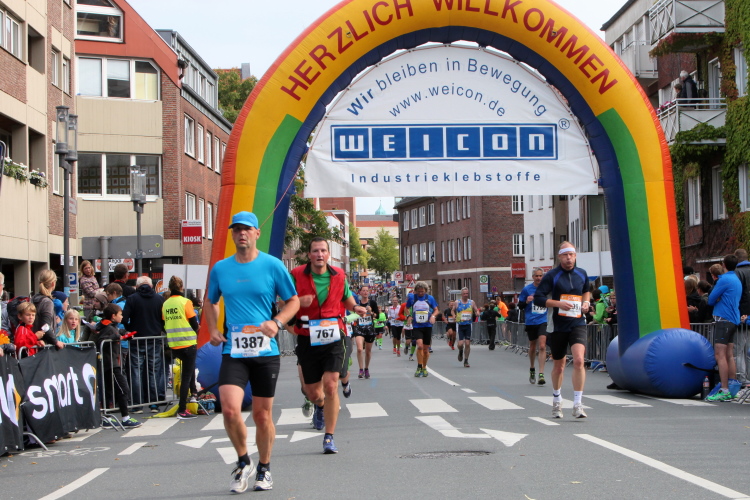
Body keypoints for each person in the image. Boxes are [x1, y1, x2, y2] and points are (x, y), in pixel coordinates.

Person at [204, 211, 300, 493]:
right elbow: (211, 301)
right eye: (236, 229)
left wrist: (277, 322)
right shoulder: (221, 269)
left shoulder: (272, 265)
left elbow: (293, 301)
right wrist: (212, 329)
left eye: (247, 229)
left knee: (261, 415)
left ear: (257, 233)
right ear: (232, 234)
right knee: (229, 409)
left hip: (265, 352)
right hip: (234, 350)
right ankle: (244, 461)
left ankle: (265, 468)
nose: (241, 233)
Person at [291, 237, 364, 453]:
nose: (319, 254)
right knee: (313, 393)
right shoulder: (296, 275)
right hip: (307, 336)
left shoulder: (339, 275)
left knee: (331, 385)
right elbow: (283, 302)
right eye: (315, 251)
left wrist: (355, 308)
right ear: (309, 255)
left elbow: (346, 298)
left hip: (334, 335)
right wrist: (298, 302)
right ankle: (320, 406)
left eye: (323, 250)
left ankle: (329, 437)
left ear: (328, 254)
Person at [534, 242, 591, 419]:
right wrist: (558, 303)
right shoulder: (552, 275)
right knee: (559, 366)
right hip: (558, 325)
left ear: (575, 256)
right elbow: (538, 298)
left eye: (571, 255)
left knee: (579, 360)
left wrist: (586, 302)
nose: (569, 258)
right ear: (560, 257)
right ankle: (557, 400)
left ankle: (577, 404)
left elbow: (586, 290)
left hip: (577, 322)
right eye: (565, 255)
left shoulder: (581, 273)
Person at [122, 276, 166, 413]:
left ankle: (137, 404)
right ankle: (154, 404)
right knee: (153, 371)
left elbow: (124, 318)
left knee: (136, 371)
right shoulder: (159, 299)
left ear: (137, 286)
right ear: (151, 286)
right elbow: (164, 320)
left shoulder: (132, 299)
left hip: (137, 339)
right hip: (154, 338)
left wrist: (131, 329)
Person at [95, 303, 142, 428]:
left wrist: (126, 334)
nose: (122, 317)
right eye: (120, 314)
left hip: (113, 363)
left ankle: (107, 418)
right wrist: (116, 337)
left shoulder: (111, 326)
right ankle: (125, 418)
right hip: (111, 364)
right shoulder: (108, 328)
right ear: (113, 316)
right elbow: (101, 341)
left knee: (109, 391)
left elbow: (118, 331)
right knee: (123, 389)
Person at [162, 276, 200, 419]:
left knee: (188, 372)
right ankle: (182, 409)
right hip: (188, 342)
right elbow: (194, 324)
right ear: (181, 287)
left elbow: (164, 324)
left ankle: (193, 395)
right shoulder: (185, 302)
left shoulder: (166, 304)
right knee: (186, 376)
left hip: (174, 344)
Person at [706, 255, 742, 402]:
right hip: (733, 319)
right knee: (729, 355)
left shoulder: (724, 279)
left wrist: (718, 299)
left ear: (724, 264)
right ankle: (732, 388)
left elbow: (710, 299)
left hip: (723, 319)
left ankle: (724, 389)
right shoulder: (736, 279)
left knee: (719, 355)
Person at [519, 268, 548, 385]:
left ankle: (541, 374)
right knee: (532, 346)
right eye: (536, 276)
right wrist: (527, 301)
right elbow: (520, 305)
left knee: (542, 346)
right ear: (533, 277)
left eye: (540, 276)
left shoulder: (546, 289)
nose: (539, 278)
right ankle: (532, 368)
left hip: (543, 320)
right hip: (531, 321)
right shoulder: (527, 289)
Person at [406, 282, 439, 377]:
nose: (420, 293)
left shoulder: (430, 298)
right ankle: (419, 366)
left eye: (422, 291)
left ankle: (424, 367)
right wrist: (409, 316)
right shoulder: (412, 298)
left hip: (427, 325)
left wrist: (433, 316)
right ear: (416, 291)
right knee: (419, 345)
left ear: (425, 291)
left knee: (425, 349)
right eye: (419, 291)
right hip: (417, 326)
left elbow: (436, 310)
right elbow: (406, 308)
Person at [32, 270, 64, 350]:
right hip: (44, 345)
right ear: (53, 283)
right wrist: (56, 341)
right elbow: (45, 326)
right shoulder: (47, 302)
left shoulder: (33, 298)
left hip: (34, 343)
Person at [352, 285, 379, 379]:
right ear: (360, 292)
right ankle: (360, 369)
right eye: (363, 290)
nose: (365, 292)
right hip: (359, 328)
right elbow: (352, 314)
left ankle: (366, 368)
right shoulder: (357, 303)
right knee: (360, 349)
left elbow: (377, 316)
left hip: (369, 328)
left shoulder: (372, 303)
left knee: (368, 351)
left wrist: (371, 312)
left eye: (367, 291)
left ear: (369, 292)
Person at [453, 287, 479, 368]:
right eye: (464, 293)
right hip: (460, 325)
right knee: (460, 344)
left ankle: (466, 360)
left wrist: (477, 313)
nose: (465, 295)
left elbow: (476, 310)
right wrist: (454, 316)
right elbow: (452, 310)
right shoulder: (457, 302)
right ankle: (460, 351)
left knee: (467, 343)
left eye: (467, 293)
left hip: (468, 324)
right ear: (461, 294)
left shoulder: (471, 302)